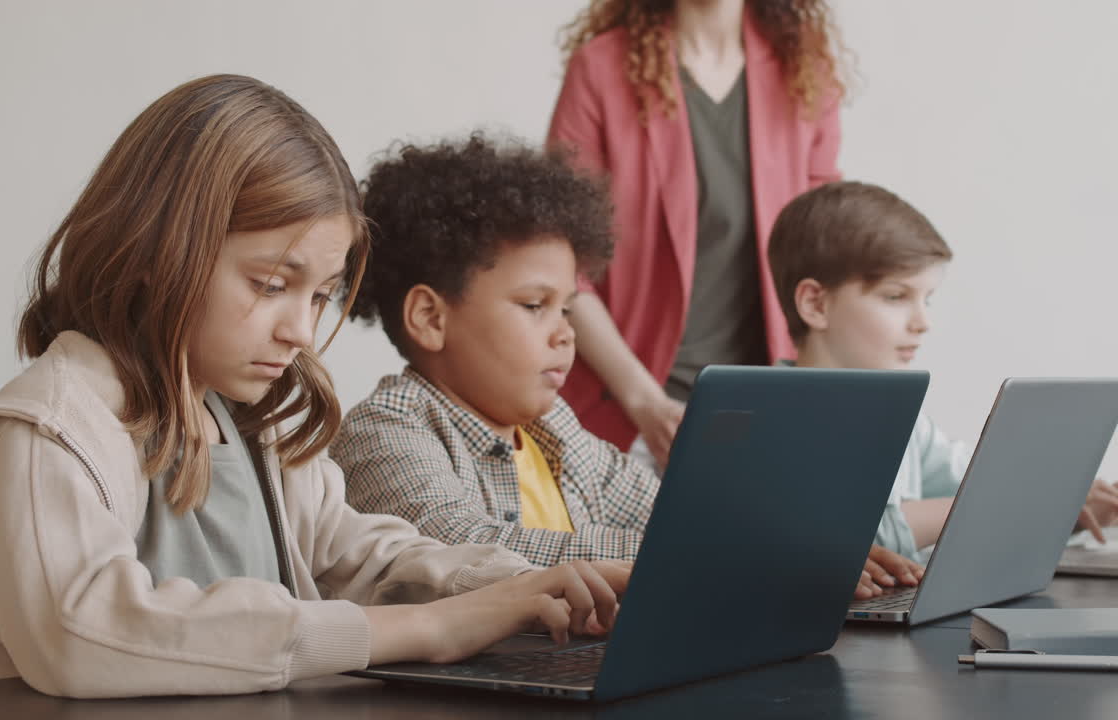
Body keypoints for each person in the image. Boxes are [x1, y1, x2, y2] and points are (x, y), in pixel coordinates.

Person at [0, 75, 628, 699]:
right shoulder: (54, 420)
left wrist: (535, 584)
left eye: (320, 296)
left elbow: (362, 558)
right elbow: (82, 630)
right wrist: (426, 628)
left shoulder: (260, 422)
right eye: (273, 285)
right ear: (159, 251)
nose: (301, 331)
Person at [332, 135, 917, 600]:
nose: (565, 333)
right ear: (430, 318)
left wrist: (793, 542)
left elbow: (677, 508)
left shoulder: (552, 429)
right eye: (535, 307)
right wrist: (722, 551)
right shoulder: (386, 430)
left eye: (566, 308)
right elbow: (469, 547)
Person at [548, 0, 845, 469]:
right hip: (628, 420)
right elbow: (562, 265)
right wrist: (647, 405)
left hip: (766, 412)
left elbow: (826, 248)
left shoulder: (803, 68)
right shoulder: (600, 69)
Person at [767, 180, 1118, 560]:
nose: (922, 322)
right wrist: (1010, 503)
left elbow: (981, 475)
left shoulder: (903, 417)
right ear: (815, 304)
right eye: (896, 297)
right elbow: (848, 540)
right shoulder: (771, 420)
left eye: (927, 300)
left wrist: (1064, 501)